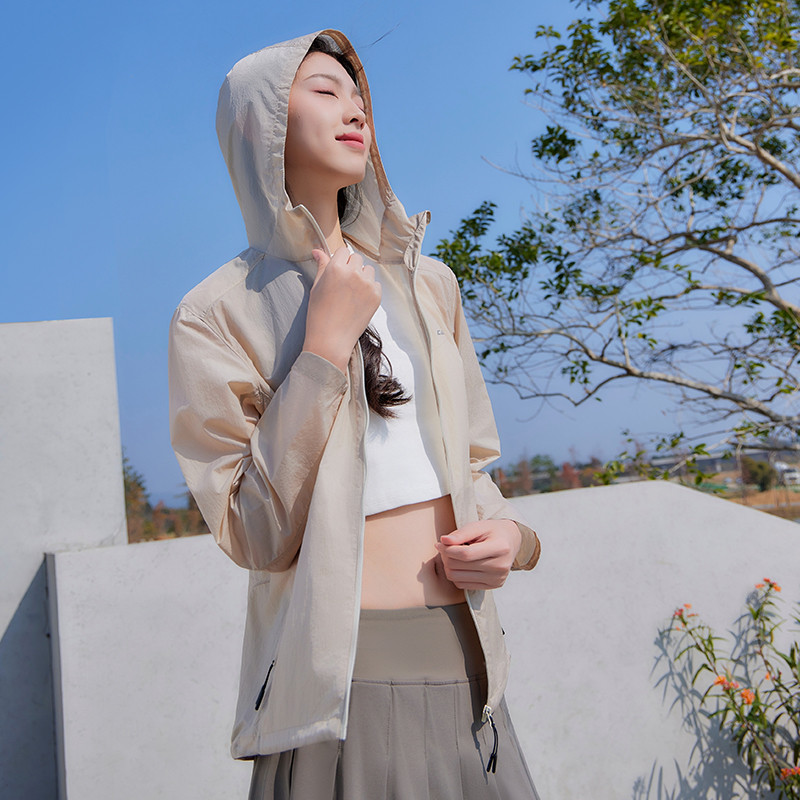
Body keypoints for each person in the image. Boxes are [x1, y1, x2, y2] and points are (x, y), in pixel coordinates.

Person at [168, 29, 542, 799]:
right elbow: (253, 532)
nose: (354, 109)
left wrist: (515, 538)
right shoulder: (216, 313)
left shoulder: (430, 284)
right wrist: (323, 349)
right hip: (337, 687)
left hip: (471, 664)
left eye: (358, 94)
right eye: (323, 90)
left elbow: (472, 465)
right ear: (260, 124)